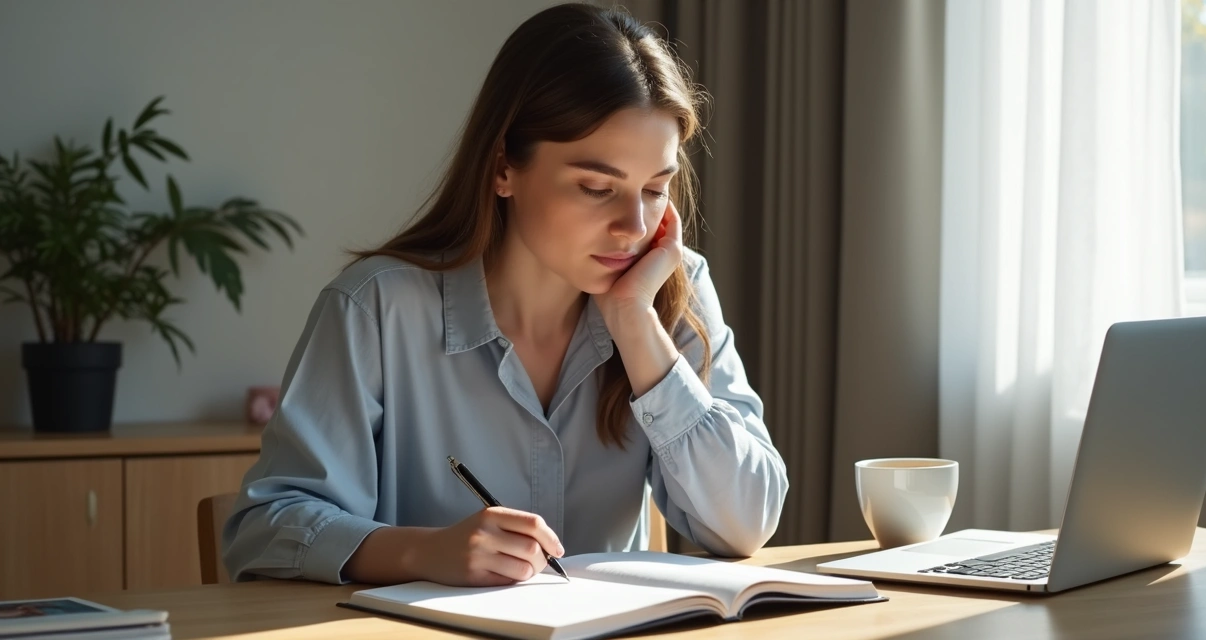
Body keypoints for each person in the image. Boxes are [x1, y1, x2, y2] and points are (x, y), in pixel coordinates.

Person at [222, 1, 788, 588]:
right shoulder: (375, 309)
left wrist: (636, 326)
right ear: (503, 168)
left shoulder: (671, 291)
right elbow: (263, 530)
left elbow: (745, 524)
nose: (634, 226)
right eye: (597, 187)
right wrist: (421, 552)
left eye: (654, 188)